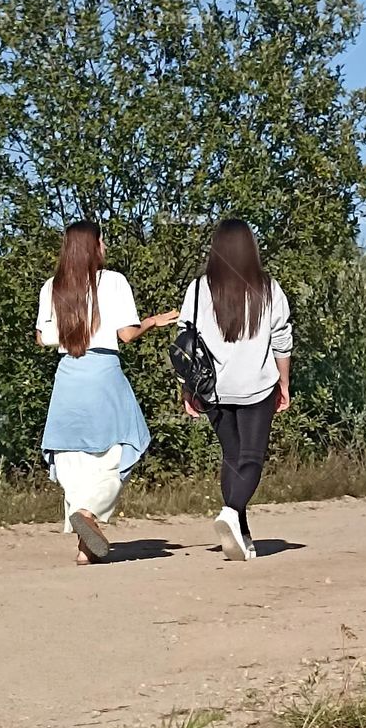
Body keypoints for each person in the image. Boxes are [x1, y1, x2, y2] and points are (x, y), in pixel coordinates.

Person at [37, 220, 177, 565]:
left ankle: (85, 549)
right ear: (93, 246)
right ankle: (88, 513)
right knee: (124, 447)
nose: (105, 247)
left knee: (73, 460)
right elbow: (127, 334)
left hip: (68, 374)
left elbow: (43, 337)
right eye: (102, 242)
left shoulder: (52, 287)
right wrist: (152, 321)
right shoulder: (113, 281)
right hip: (103, 372)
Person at [178, 219, 293, 562]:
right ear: (250, 248)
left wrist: (187, 388)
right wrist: (284, 382)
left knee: (232, 457)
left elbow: (185, 341)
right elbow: (282, 338)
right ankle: (231, 511)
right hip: (256, 386)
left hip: (213, 389)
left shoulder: (198, 289)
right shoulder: (268, 288)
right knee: (251, 458)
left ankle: (241, 536)